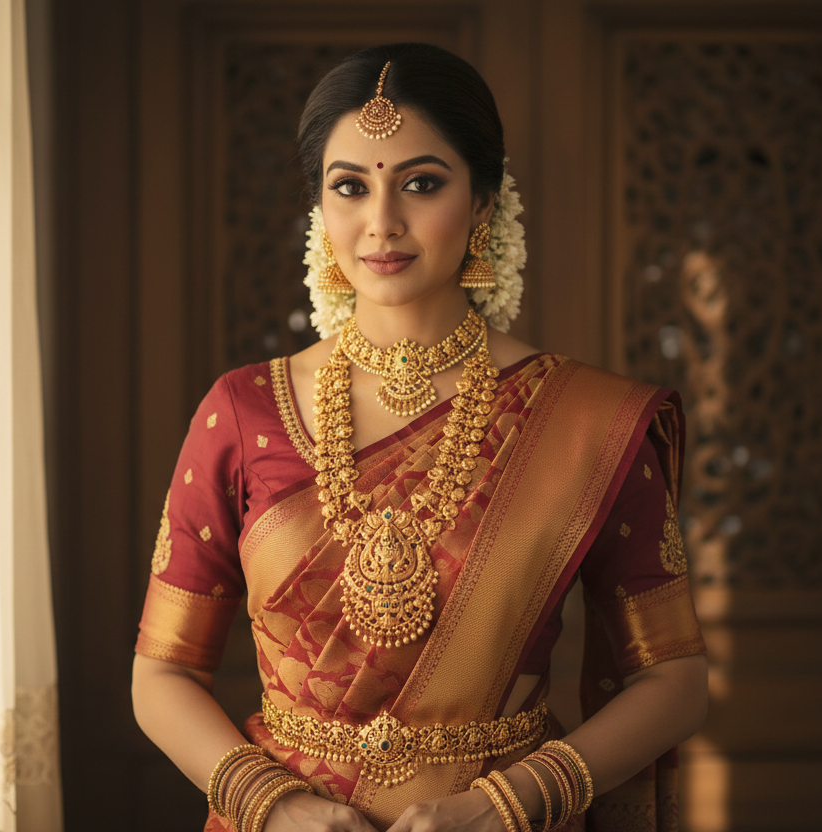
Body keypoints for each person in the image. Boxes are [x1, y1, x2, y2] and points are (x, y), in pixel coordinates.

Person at [132, 43, 707, 832]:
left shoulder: (583, 419)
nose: (381, 223)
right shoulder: (243, 411)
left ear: (482, 203)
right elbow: (160, 673)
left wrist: (508, 805)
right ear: (319, 210)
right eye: (349, 188)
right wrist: (274, 805)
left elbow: (673, 677)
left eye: (422, 183)